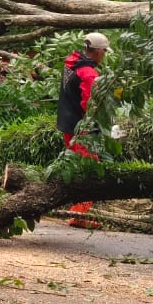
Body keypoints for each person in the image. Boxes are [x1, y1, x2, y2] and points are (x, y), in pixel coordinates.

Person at [56, 33, 110, 228]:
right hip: (81, 128)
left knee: (75, 166)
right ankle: (78, 214)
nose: (104, 55)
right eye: (104, 51)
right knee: (90, 169)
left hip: (67, 123)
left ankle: (75, 209)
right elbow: (90, 104)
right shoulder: (88, 73)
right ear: (96, 51)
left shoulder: (71, 63)